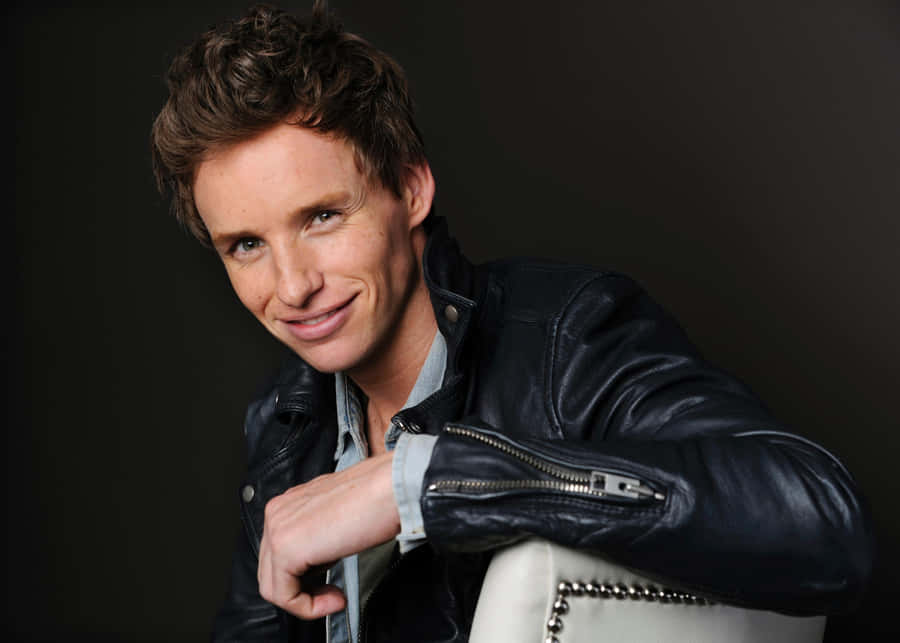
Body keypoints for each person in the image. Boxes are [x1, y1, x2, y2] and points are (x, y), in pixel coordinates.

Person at [150, 3, 873, 641]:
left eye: (324, 217)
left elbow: (823, 522)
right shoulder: (286, 420)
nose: (293, 285)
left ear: (410, 187)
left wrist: (420, 480)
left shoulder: (566, 336)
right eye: (246, 245)